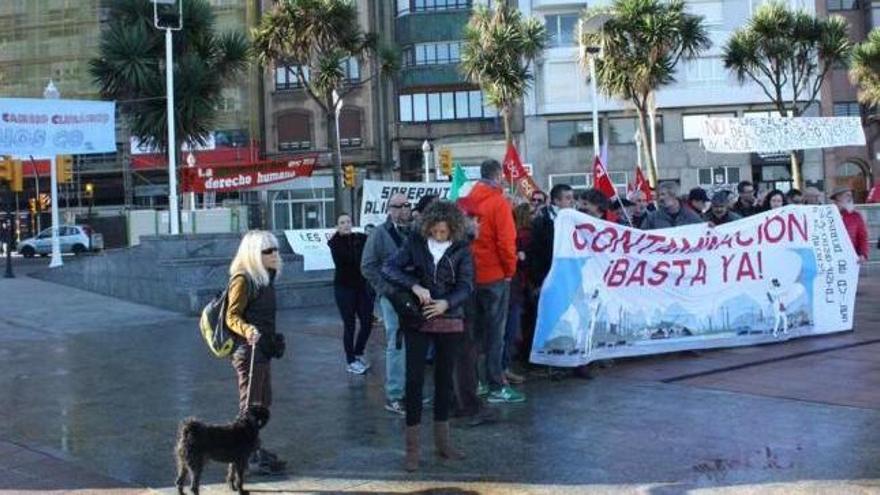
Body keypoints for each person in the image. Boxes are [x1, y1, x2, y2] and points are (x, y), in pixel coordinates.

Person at [382, 201, 475, 472]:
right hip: (418, 319)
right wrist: (414, 285)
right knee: (414, 381)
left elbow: (467, 284)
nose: (438, 235)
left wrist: (447, 303)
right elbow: (389, 268)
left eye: (443, 231)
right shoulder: (414, 241)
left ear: (453, 228)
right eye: (434, 230)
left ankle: (443, 443)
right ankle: (412, 449)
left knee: (444, 381)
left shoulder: (462, 248)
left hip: (450, 318)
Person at [457, 159, 523, 404]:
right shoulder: (498, 203)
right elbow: (506, 242)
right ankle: (496, 384)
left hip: (470, 277)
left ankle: (478, 383)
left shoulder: (466, 201)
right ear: (497, 176)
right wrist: (509, 270)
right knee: (495, 332)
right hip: (494, 276)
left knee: (473, 333)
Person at [225, 230, 287, 474]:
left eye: (275, 249)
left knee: (262, 403)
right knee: (249, 406)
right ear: (253, 254)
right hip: (248, 350)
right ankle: (243, 456)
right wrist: (247, 329)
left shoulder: (266, 278)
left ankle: (253, 447)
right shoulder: (243, 279)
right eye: (268, 251)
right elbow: (232, 315)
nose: (274, 254)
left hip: (263, 350)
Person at [361, 193, 413, 415]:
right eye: (398, 206)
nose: (403, 209)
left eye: (406, 205)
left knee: (412, 343)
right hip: (392, 297)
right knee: (397, 342)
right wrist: (386, 290)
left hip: (414, 295)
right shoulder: (380, 234)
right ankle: (394, 394)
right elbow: (368, 266)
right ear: (389, 209)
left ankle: (408, 390)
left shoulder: (413, 231)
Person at [329, 213, 374, 375]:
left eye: (348, 222)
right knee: (350, 325)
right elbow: (349, 260)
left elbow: (372, 244)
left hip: (361, 287)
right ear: (337, 226)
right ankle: (350, 361)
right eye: (342, 222)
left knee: (367, 322)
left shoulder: (360, 238)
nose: (346, 225)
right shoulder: (334, 243)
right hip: (344, 289)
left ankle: (358, 352)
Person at [503, 203, 532, 386]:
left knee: (511, 332)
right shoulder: (512, 236)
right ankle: (498, 373)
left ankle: (504, 368)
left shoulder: (513, 235)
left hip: (514, 290)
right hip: (505, 289)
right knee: (503, 333)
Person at [528, 184, 575, 288]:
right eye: (568, 198)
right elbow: (536, 253)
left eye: (572, 198)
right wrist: (538, 281)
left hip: (568, 275)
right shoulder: (542, 221)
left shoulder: (575, 218)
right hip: (548, 275)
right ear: (556, 201)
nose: (572, 202)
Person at [830, 187, 869, 263]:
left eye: (851, 195)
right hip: (832, 258)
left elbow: (863, 237)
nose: (850, 198)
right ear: (838, 197)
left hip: (852, 257)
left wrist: (863, 254)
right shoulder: (827, 214)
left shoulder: (856, 216)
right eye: (847, 195)